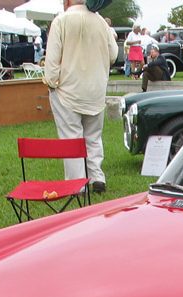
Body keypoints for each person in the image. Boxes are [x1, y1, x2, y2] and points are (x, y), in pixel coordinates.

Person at [44, 0, 117, 193]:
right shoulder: (101, 21)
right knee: (93, 136)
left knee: (71, 137)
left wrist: (52, 83)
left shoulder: (61, 21)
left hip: (68, 90)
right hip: (95, 89)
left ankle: (77, 184)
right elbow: (113, 54)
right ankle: (96, 177)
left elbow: (52, 60)